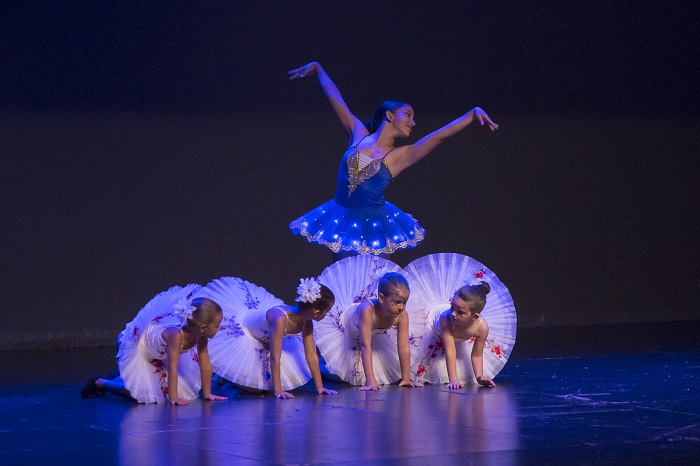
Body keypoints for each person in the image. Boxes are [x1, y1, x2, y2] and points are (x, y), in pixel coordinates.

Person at [287, 61, 499, 262]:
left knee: (369, 287)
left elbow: (439, 135)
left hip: (374, 227)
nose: (413, 122)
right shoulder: (357, 132)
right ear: (389, 115)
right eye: (407, 114)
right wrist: (318, 69)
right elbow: (335, 96)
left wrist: (471, 115)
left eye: (413, 118)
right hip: (342, 220)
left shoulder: (400, 155)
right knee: (341, 280)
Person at [82, 285, 228, 405]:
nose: (219, 328)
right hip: (134, 345)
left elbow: (205, 363)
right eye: (216, 325)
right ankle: (100, 382)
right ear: (202, 328)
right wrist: (173, 397)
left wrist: (208, 393)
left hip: (156, 355)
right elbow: (172, 367)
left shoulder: (201, 337)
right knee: (142, 397)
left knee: (158, 392)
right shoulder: (176, 336)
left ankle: (119, 378)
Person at [206, 276, 338, 399]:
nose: (327, 314)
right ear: (316, 312)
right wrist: (278, 390)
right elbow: (275, 356)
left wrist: (320, 387)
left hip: (267, 340)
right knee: (254, 390)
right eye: (327, 311)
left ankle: (230, 378)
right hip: (248, 333)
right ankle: (222, 377)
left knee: (259, 388)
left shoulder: (307, 322)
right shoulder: (281, 319)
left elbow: (311, 354)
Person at [404, 253, 517, 388]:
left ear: (475, 316)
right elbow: (450, 351)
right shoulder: (446, 319)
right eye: (452, 307)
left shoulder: (482, 327)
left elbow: (477, 354)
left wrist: (479, 376)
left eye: (461, 312)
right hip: (434, 329)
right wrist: (454, 379)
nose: (454, 314)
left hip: (460, 332)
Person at [315, 255, 423, 390]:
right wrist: (370, 380)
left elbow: (404, 347)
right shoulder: (367, 310)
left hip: (371, 334)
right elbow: (365, 345)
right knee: (337, 374)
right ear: (381, 298)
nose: (401, 307)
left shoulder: (402, 315)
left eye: (404, 302)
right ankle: (321, 364)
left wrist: (406, 378)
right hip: (347, 329)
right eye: (396, 302)